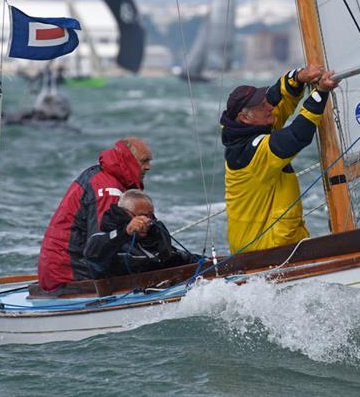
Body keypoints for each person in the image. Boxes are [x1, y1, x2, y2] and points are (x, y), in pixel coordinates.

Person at [221, 64, 339, 254]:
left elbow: (277, 98)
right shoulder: (247, 152)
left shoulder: (253, 125)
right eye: (261, 106)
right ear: (244, 117)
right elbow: (297, 136)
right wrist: (321, 93)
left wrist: (299, 77)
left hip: (273, 247)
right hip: (264, 250)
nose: (269, 108)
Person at [37, 137, 153, 292]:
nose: (148, 167)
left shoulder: (104, 176)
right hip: (68, 275)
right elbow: (98, 247)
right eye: (144, 161)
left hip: (58, 269)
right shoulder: (107, 190)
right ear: (128, 160)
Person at [84, 189, 197, 278]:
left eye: (150, 216)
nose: (148, 221)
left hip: (161, 289)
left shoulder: (154, 236)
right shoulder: (104, 237)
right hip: (122, 296)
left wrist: (208, 262)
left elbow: (177, 256)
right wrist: (125, 232)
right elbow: (92, 253)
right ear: (125, 213)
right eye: (142, 215)